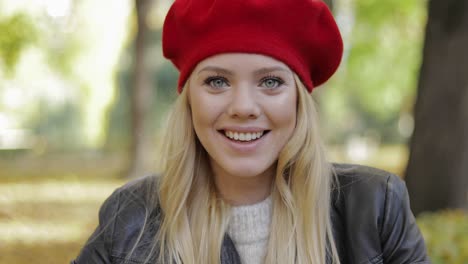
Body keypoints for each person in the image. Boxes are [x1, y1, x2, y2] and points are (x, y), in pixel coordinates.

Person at [72, 0, 430, 263]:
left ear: (298, 102)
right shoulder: (130, 218)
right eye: (216, 81)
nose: (243, 106)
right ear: (189, 100)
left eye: (271, 81)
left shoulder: (374, 208)